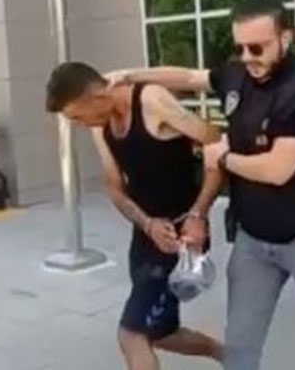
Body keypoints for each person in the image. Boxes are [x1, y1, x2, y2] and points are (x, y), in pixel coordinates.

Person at [108, 0, 295, 370]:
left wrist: (222, 158)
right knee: (241, 346)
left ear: (285, 38)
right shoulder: (238, 74)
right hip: (254, 242)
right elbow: (190, 78)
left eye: (257, 48)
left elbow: (278, 169)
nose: (247, 57)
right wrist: (131, 75)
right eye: (239, 47)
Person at [45, 62, 224, 370]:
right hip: (146, 235)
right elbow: (114, 188)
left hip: (182, 233)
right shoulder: (100, 127)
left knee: (131, 334)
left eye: (77, 116)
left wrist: (198, 214)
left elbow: (215, 143)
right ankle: (232, 355)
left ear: (97, 97)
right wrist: (147, 224)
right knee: (160, 332)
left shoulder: (151, 100)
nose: (78, 124)